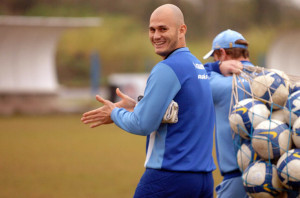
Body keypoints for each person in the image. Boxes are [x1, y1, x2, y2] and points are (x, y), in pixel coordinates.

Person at [81, 4, 216, 198]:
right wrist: (136, 106)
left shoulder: (167, 68)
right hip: (202, 180)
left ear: (182, 30)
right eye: (152, 29)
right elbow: (183, 114)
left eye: (163, 29)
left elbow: (142, 124)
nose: (156, 35)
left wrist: (114, 112)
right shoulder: (196, 66)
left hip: (170, 177)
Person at [203, 29, 253, 198]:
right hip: (275, 176)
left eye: (214, 57)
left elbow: (193, 77)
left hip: (237, 180)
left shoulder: (221, 84)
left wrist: (215, 67)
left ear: (222, 54)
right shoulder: (269, 80)